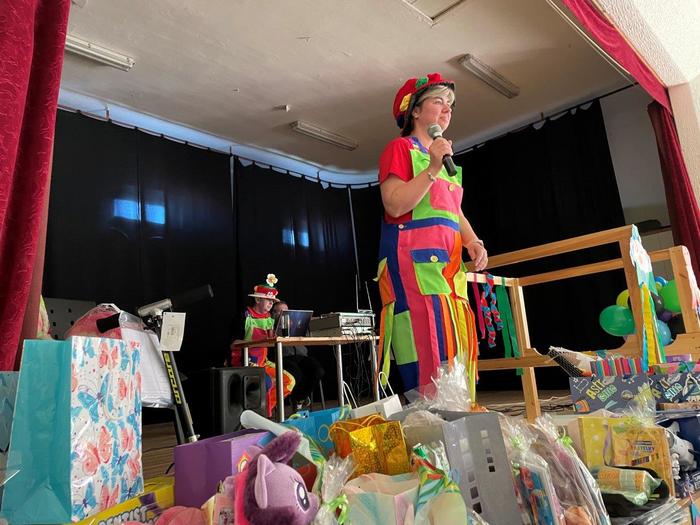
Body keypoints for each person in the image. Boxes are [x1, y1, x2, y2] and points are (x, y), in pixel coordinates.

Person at [375, 73, 488, 397]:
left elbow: (454, 211)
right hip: (414, 263)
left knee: (455, 338)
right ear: (414, 110)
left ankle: (458, 407)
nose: (447, 109)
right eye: (439, 101)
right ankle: (430, 413)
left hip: (449, 267)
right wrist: (432, 169)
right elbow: (394, 204)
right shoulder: (400, 148)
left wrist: (472, 241)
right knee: (425, 339)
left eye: (450, 104)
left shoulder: (444, 159)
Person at [230, 274, 295, 416]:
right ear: (258, 299)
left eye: (272, 301)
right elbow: (233, 343)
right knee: (267, 382)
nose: (271, 304)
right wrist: (253, 343)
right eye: (268, 300)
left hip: (262, 361)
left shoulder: (269, 318)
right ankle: (261, 415)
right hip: (244, 361)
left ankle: (265, 412)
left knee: (288, 381)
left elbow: (272, 340)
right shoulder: (244, 315)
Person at [271, 300, 325, 410]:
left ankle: (299, 398)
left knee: (318, 370)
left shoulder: (296, 325)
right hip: (284, 358)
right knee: (296, 373)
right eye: (281, 312)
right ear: (274, 314)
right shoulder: (270, 327)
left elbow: (310, 333)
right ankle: (300, 399)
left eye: (286, 311)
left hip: (302, 357)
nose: (284, 314)